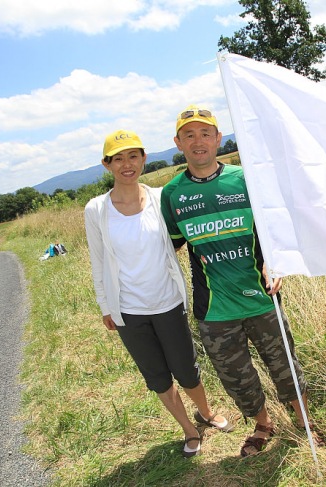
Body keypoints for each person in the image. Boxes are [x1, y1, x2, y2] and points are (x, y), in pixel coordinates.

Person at [161, 105, 326, 457]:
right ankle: (263, 425)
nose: (198, 141)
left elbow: (274, 231)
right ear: (178, 143)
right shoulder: (172, 194)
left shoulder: (245, 179)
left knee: (286, 368)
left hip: (261, 298)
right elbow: (169, 247)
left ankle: (304, 421)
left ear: (218, 138)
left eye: (206, 133)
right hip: (215, 310)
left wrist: (275, 264)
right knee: (238, 379)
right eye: (189, 135)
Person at [84, 129, 232, 458]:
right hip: (128, 310)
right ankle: (189, 430)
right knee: (157, 376)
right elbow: (98, 262)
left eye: (133, 156)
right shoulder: (96, 210)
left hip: (168, 301)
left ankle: (206, 413)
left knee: (186, 369)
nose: (127, 164)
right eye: (118, 158)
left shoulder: (160, 197)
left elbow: (186, 234)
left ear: (143, 159)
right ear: (106, 164)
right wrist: (106, 306)